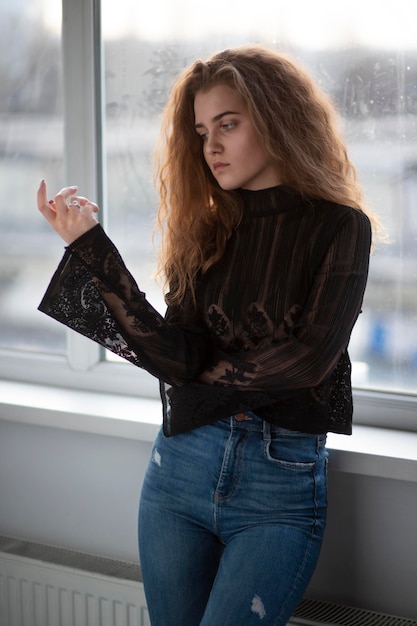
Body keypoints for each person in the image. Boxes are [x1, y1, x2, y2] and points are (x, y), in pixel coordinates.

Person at [37, 45, 378, 625]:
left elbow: (308, 361)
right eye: (200, 131)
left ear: (277, 119)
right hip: (179, 471)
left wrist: (196, 369)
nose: (210, 146)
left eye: (228, 124)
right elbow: (173, 353)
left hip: (280, 485)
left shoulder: (340, 226)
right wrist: (91, 249)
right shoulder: (208, 228)